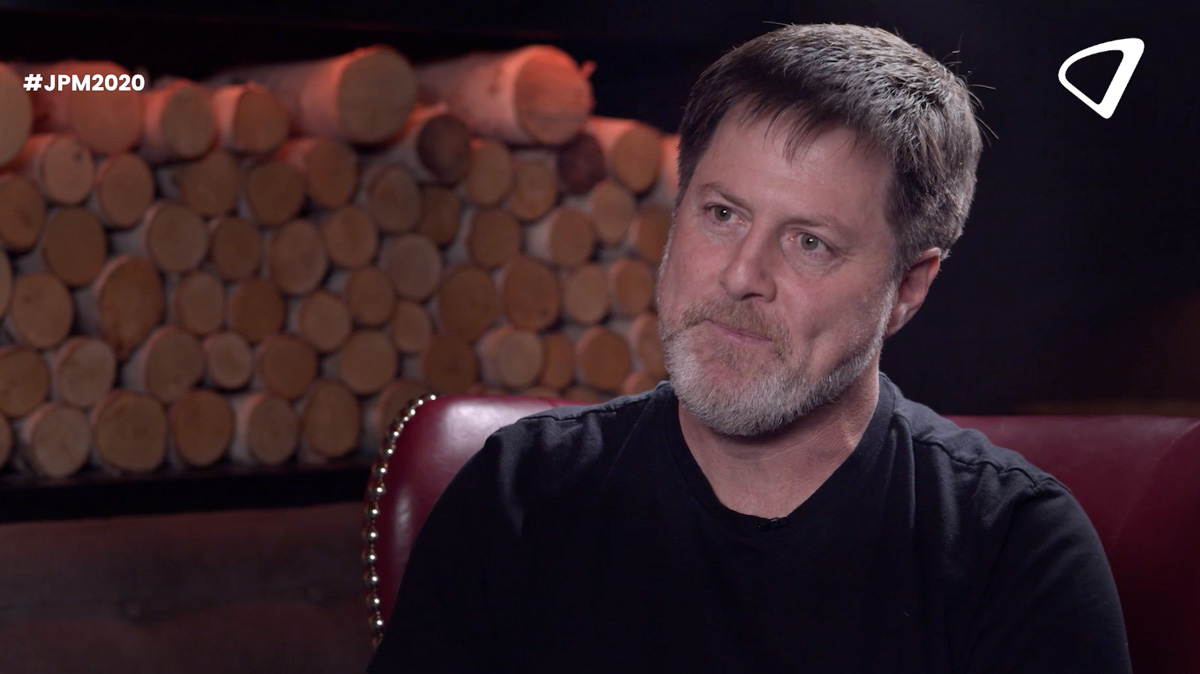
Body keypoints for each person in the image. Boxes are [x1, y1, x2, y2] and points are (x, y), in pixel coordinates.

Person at [368, 23, 1131, 672]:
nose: (740, 276)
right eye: (723, 214)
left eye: (809, 242)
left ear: (908, 287)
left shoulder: (1014, 550)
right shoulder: (518, 497)